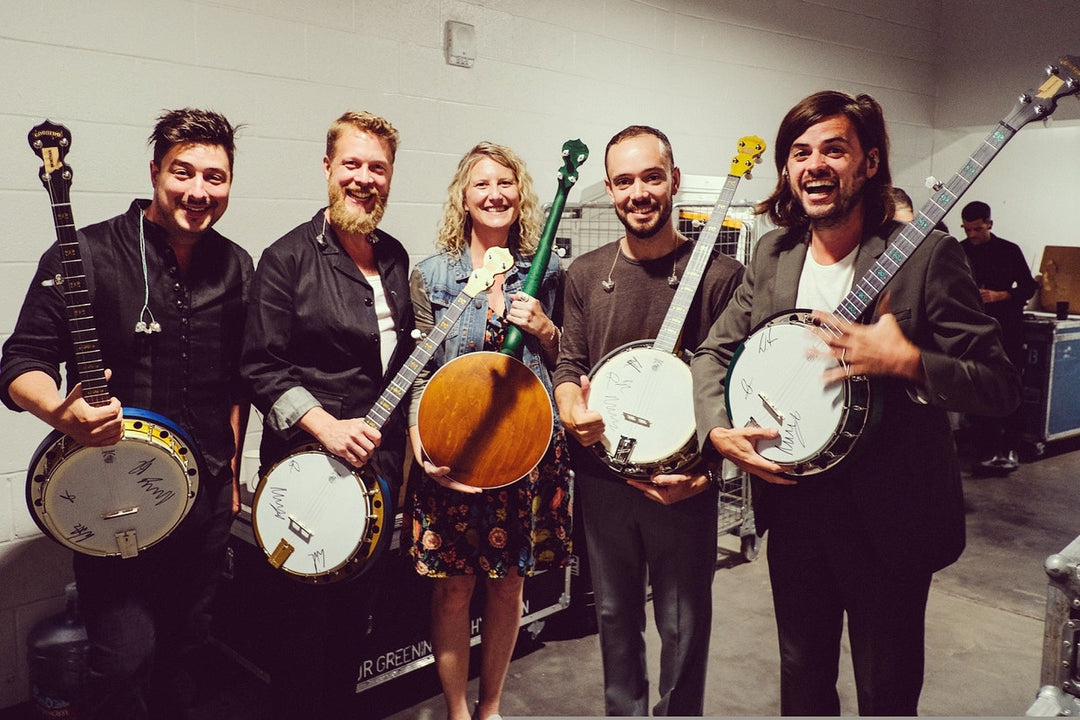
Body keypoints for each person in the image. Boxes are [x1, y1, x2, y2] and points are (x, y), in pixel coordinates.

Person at [691, 90, 1021, 715]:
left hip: (888, 521)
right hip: (794, 510)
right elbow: (712, 354)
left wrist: (911, 362)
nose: (814, 165)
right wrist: (718, 429)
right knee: (803, 677)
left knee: (886, 690)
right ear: (787, 169)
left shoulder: (926, 256)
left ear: (869, 163)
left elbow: (999, 385)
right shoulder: (772, 253)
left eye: (833, 150)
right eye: (800, 152)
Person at [1, 108, 252, 719]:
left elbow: (238, 382)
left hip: (208, 496)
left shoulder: (237, 264)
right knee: (122, 658)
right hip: (114, 496)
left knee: (188, 650)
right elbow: (18, 365)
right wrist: (63, 414)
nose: (199, 191)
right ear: (155, 172)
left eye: (215, 178)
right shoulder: (84, 251)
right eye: (183, 173)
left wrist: (234, 474)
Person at [553, 125, 744, 716]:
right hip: (604, 477)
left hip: (682, 487)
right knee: (613, 616)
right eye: (625, 180)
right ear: (610, 189)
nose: (639, 192)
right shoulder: (585, 274)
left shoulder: (718, 277)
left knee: (683, 625)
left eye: (652, 176)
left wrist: (709, 474)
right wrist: (568, 408)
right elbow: (569, 363)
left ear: (675, 181)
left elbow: (733, 388)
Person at [240, 111, 415, 715]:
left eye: (378, 167)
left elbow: (400, 363)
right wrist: (326, 426)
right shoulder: (286, 257)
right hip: (306, 467)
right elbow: (261, 367)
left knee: (351, 626)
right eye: (352, 164)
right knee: (299, 628)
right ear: (327, 169)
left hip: (376, 466)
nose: (364, 178)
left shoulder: (393, 257)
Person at [405, 142, 572, 720]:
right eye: (482, 184)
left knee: (507, 585)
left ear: (520, 194)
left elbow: (568, 359)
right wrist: (419, 443)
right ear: (464, 197)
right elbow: (421, 372)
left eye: (506, 182)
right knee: (453, 587)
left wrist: (546, 330)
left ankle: (491, 707)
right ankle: (456, 709)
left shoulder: (547, 270)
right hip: (456, 449)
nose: (495, 194)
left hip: (525, 451)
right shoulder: (431, 274)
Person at [960, 200, 1037, 472]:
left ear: (990, 224)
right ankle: (985, 451)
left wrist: (1001, 295)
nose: (972, 236)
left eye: (978, 229)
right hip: (975, 332)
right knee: (981, 391)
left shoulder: (1009, 250)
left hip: (1007, 330)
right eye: (967, 230)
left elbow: (1028, 287)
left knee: (1010, 388)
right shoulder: (959, 251)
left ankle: (1010, 448)